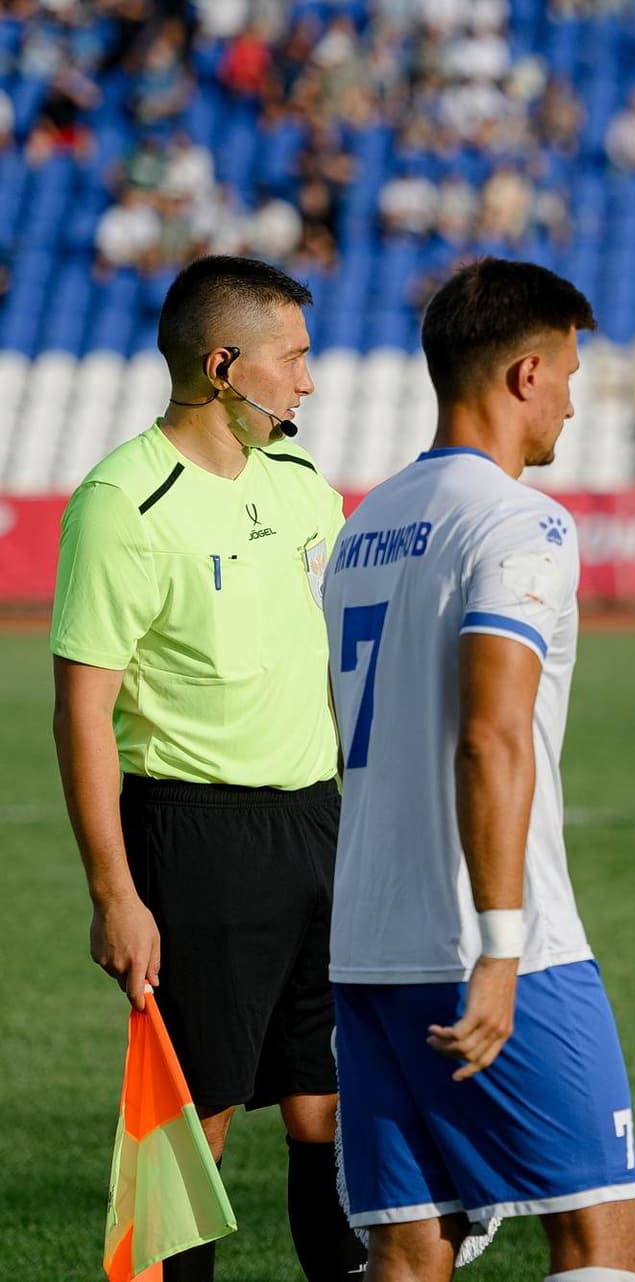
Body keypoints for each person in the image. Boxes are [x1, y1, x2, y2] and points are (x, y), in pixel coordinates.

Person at [323, 258, 635, 1282]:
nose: (571, 404)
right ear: (524, 374)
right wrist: (501, 946)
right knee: (602, 1230)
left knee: (410, 1246)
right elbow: (491, 737)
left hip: (367, 943)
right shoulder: (519, 521)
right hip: (490, 941)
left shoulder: (364, 523)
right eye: (568, 376)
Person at [49, 255, 364, 1281]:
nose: (308, 381)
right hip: (197, 839)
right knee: (195, 1122)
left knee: (329, 1107)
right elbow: (83, 711)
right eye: (293, 358)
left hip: (319, 824)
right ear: (224, 366)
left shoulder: (303, 486)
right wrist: (115, 895)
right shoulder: (122, 502)